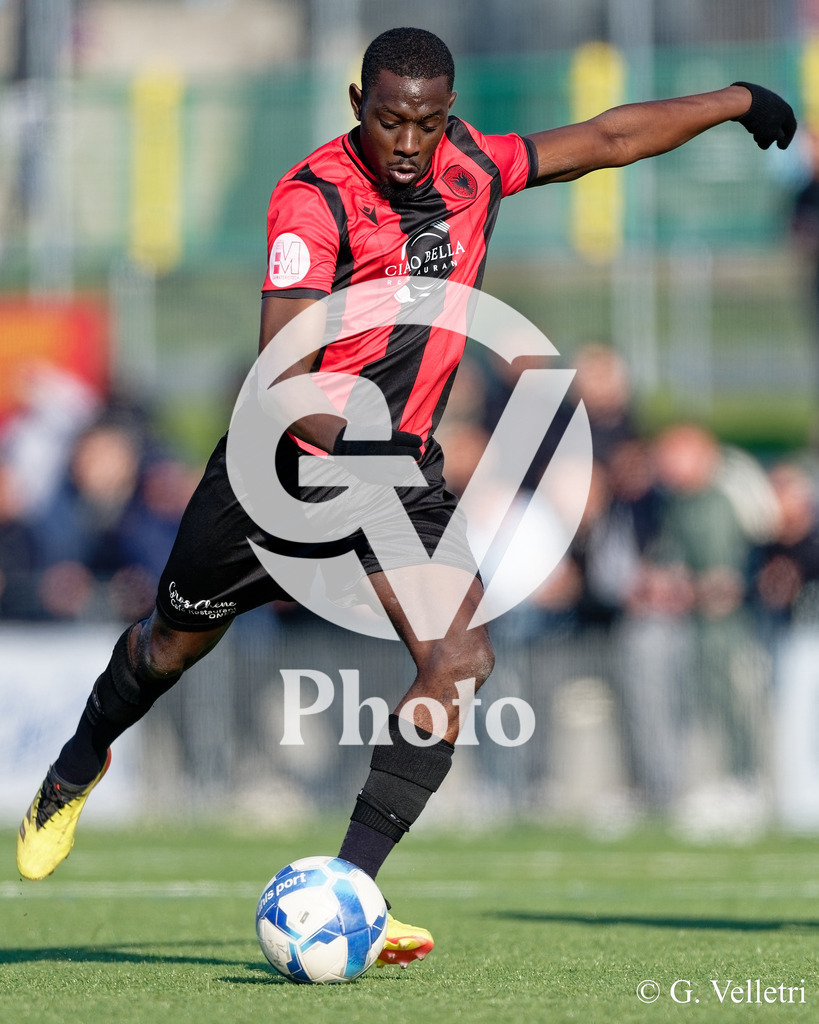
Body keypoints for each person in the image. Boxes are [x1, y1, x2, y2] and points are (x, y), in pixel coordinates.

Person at [17, 26, 796, 967]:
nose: (409, 143)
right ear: (358, 104)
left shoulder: (474, 167)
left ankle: (352, 887)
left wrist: (735, 100)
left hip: (398, 480)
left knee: (460, 659)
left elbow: (609, 137)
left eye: (426, 123)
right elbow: (282, 379)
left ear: (449, 115)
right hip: (279, 475)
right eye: (390, 121)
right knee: (168, 648)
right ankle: (76, 764)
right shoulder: (312, 199)